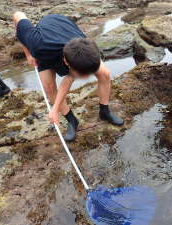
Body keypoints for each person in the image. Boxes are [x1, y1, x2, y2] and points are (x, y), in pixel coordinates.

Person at [13, 12, 124, 142]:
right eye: (80, 75)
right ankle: (72, 120)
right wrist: (28, 54)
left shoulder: (85, 45)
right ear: (66, 62)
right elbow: (17, 15)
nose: (84, 78)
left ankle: (104, 112)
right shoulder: (37, 43)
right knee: (48, 86)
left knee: (105, 73)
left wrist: (55, 107)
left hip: (66, 30)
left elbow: (69, 79)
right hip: (46, 47)